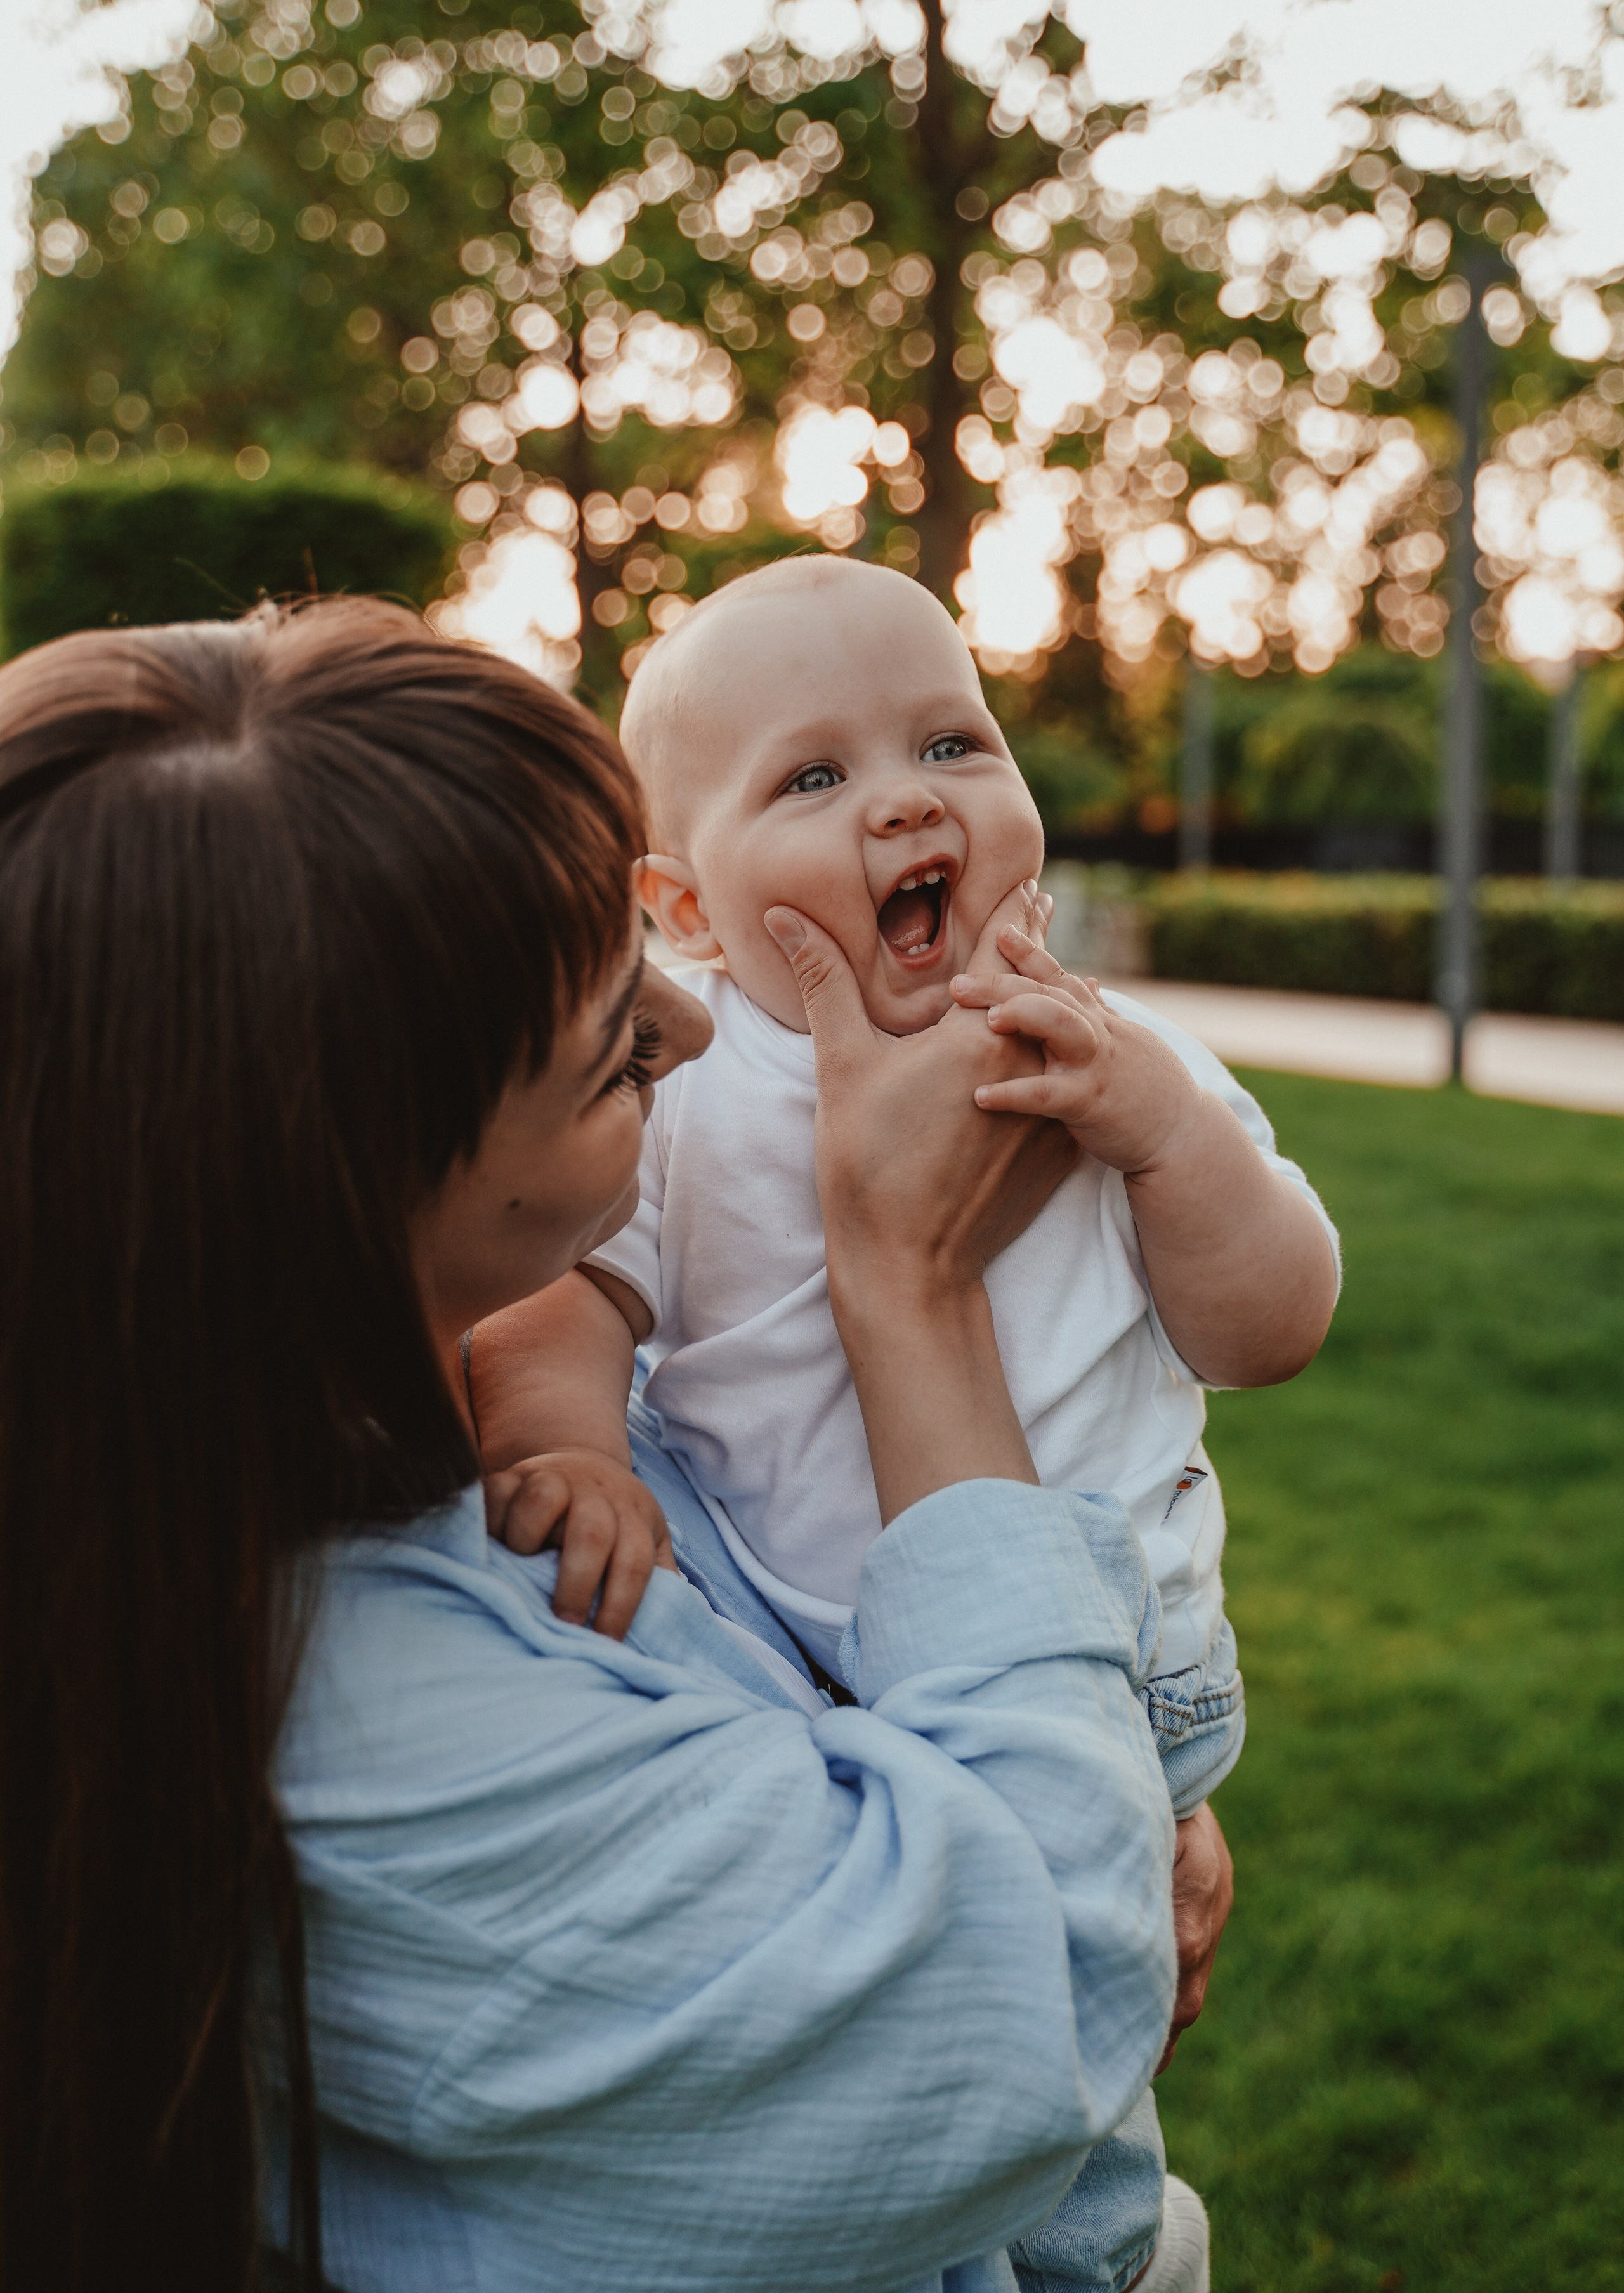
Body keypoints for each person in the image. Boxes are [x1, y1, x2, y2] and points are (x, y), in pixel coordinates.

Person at [0, 596, 1208, 2293]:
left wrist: (1105, 1758)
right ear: (349, 1197)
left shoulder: (463, 1427)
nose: (699, 1029)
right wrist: (905, 1282)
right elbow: (1034, 2009)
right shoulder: (379, 1743)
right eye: (608, 1058)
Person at [466, 556, 1339, 2290]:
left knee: (1080, 2092)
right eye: (814, 777)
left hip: (1112, 1662)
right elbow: (571, 1308)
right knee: (932, 2054)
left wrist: (1166, 1138)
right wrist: (565, 1447)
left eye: (954, 743)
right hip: (796, 1678)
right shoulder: (692, 1092)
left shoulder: (1122, 1056)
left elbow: (1272, 1329)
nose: (904, 804)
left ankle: (1102, 2257)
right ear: (688, 908)